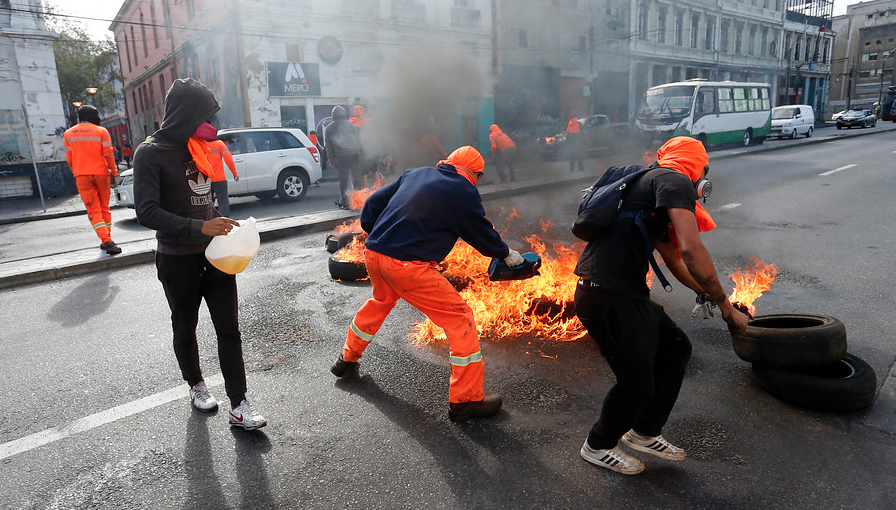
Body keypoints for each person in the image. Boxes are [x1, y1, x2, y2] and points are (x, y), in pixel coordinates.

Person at [573, 136, 749, 475]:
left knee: (674, 348)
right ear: (698, 168)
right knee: (637, 381)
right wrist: (726, 307)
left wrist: (712, 296)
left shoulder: (650, 187)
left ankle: (644, 432)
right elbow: (690, 249)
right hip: (606, 293)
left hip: (623, 293)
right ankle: (597, 445)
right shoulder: (675, 180)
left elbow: (675, 262)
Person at [330, 146, 525, 422]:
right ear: (474, 173)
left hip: (375, 254)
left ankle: (346, 359)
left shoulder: (416, 173)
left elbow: (373, 203)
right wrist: (506, 254)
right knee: (461, 319)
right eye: (478, 176)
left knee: (380, 303)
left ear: (449, 162)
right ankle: (466, 401)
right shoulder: (463, 191)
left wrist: (381, 235)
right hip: (407, 265)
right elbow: (479, 232)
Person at [133, 78, 266, 431]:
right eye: (206, 115)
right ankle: (196, 385)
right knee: (185, 326)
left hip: (215, 256)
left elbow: (201, 198)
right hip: (178, 259)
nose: (212, 124)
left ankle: (239, 405)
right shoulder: (150, 152)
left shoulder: (199, 145)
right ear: (186, 113)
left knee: (229, 329)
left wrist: (214, 219)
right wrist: (199, 228)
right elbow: (146, 211)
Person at [63, 105, 122, 255]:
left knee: (93, 210)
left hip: (82, 175)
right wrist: (114, 173)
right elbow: (108, 154)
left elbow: (69, 159)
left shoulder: (69, 134)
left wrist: (77, 171)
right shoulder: (101, 131)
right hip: (101, 174)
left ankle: (106, 240)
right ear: (93, 116)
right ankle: (106, 239)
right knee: (104, 208)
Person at [324, 105, 363, 209]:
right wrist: (360, 151)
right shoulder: (350, 124)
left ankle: (346, 203)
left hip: (342, 156)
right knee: (357, 180)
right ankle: (360, 202)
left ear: (333, 116)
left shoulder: (329, 128)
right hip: (355, 154)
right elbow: (357, 139)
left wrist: (331, 161)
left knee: (344, 181)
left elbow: (329, 147)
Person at [207, 138, 239, 217]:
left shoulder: (201, 144)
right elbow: (229, 160)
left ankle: (211, 220)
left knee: (208, 203)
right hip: (219, 179)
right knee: (223, 202)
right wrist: (234, 173)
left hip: (206, 180)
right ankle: (225, 221)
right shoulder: (219, 144)